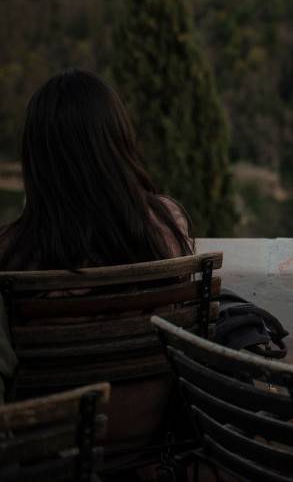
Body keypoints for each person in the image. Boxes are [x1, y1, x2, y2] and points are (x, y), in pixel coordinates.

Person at [0, 68, 193, 445]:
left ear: (37, 157)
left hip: (56, 441)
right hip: (150, 429)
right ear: (117, 142)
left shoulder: (12, 253)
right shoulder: (169, 224)